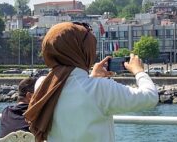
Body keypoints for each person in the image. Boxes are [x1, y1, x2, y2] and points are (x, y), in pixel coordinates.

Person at [24, 22, 158, 142]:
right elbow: (150, 97)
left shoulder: (42, 85)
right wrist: (139, 71)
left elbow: (75, 93)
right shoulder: (100, 89)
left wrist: (92, 78)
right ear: (85, 51)